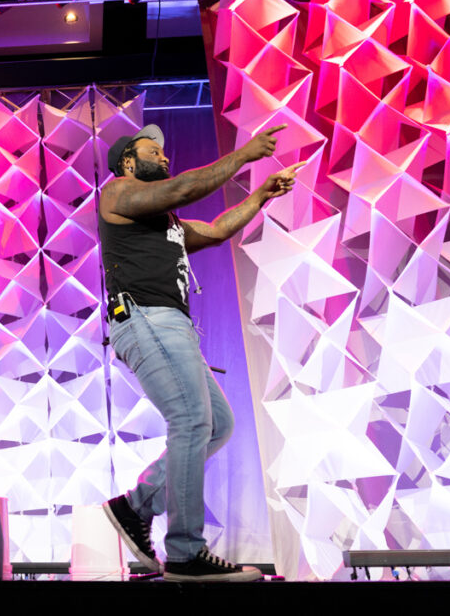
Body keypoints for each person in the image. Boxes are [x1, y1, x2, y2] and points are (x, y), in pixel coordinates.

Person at [99, 122, 303, 582]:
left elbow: (213, 231)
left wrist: (261, 197)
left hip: (172, 325)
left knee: (219, 426)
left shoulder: (162, 221)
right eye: (155, 151)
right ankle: (186, 554)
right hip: (145, 318)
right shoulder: (117, 194)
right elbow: (186, 186)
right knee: (192, 421)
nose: (165, 157)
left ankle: (134, 507)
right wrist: (245, 155)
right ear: (129, 161)